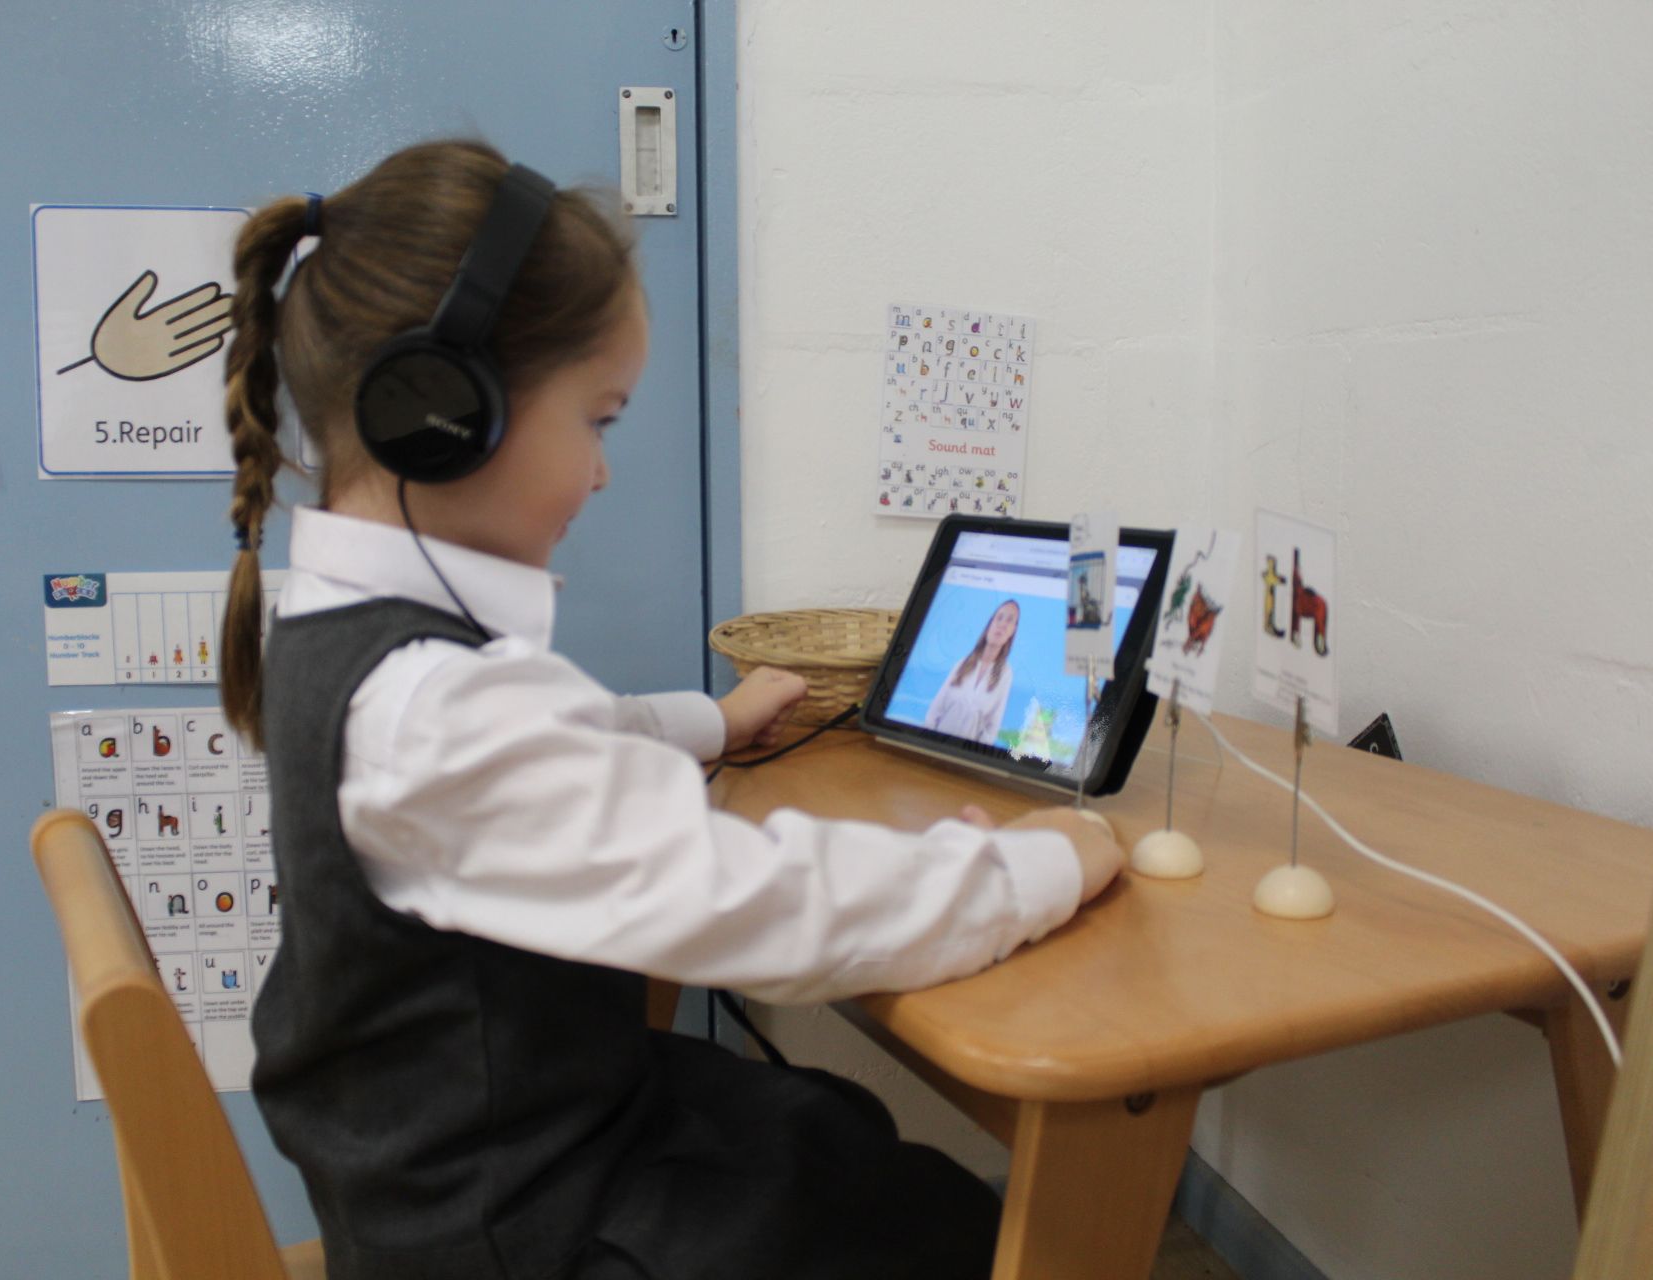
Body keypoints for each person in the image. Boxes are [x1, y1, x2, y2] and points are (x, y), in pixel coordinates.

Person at [216, 139, 1125, 1280]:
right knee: (941, 1222)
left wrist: (708, 723)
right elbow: (771, 909)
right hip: (511, 1227)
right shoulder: (438, 704)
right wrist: (1047, 863)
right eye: (597, 420)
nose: (600, 473)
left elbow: (536, 773)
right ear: (445, 411)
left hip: (461, 1162)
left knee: (833, 1131)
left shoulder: (348, 630)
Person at [924, 599, 1019, 745]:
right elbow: (935, 711)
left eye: (1009, 620)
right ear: (990, 625)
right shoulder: (962, 664)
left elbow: (992, 726)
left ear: (1013, 630)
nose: (1002, 624)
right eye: (999, 617)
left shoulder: (1006, 674)